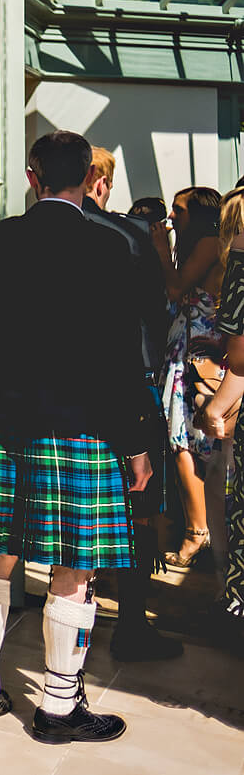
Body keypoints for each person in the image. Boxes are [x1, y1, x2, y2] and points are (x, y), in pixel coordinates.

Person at [0, 130, 152, 744]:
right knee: (75, 567)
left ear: (35, 177)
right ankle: (58, 708)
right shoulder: (110, 247)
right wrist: (135, 442)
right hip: (85, 432)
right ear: (89, 179)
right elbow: (122, 357)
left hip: (8, 428)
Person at [81, 147, 181, 661]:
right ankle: (132, 627)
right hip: (131, 383)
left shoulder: (37, 233)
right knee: (137, 508)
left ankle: (77, 618)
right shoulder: (129, 236)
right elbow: (155, 309)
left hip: (67, 392)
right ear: (100, 180)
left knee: (76, 511)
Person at [155, 185, 227, 569]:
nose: (171, 219)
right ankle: (202, 529)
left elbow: (176, 287)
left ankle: (197, 531)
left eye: (179, 212)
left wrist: (159, 249)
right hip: (190, 353)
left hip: (196, 358)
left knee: (182, 441)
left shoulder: (210, 242)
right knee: (189, 444)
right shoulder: (210, 245)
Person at [193, 186, 244, 635]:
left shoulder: (240, 268)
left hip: (233, 394)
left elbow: (243, 356)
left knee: (222, 492)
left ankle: (228, 600)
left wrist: (215, 408)